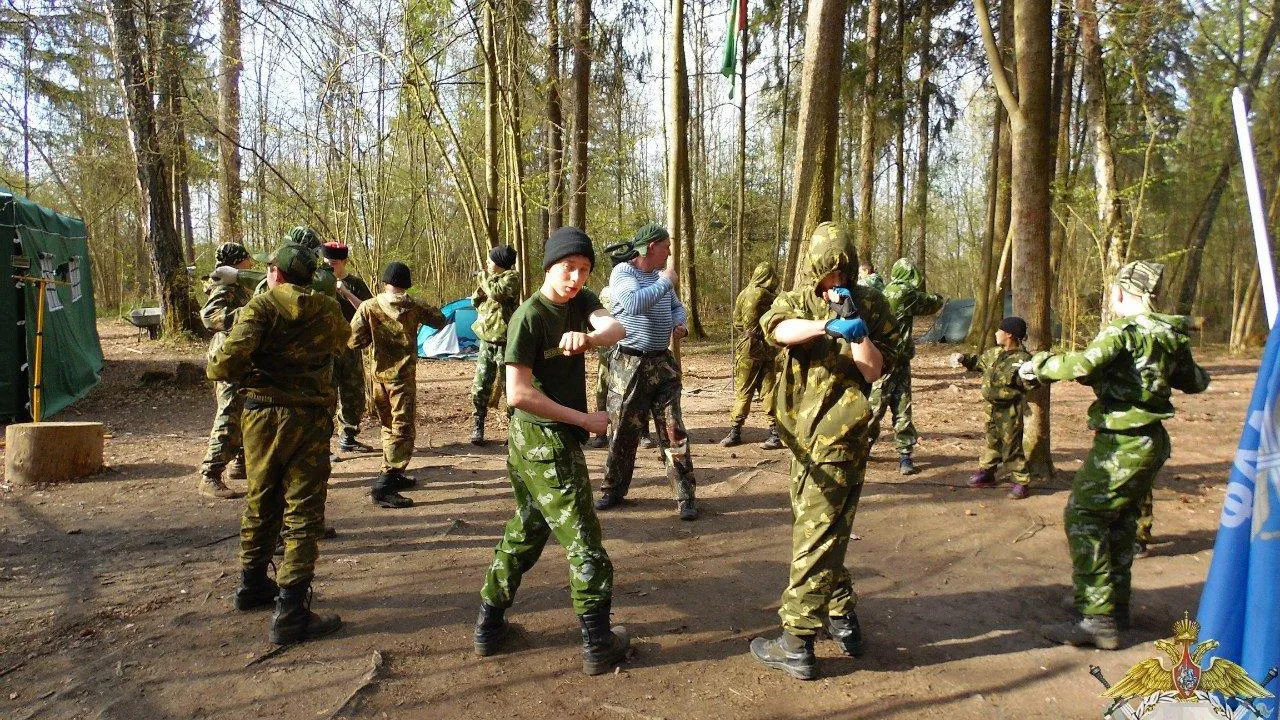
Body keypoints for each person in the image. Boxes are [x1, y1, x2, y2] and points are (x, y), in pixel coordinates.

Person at [1019, 261, 1209, 650]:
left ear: (1122, 293)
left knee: (1085, 516)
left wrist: (1038, 365)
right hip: (1152, 442)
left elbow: (1081, 363)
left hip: (1122, 443)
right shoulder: (1171, 336)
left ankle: (1097, 619)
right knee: (1120, 522)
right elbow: (1195, 381)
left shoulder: (1123, 332)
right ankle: (1113, 607)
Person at [473, 226, 631, 676]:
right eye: (569, 268)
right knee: (585, 542)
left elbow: (615, 326)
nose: (577, 278)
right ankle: (598, 643)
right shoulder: (528, 317)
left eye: (584, 270)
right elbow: (517, 394)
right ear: (549, 267)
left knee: (527, 528)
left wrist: (592, 338)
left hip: (540, 443)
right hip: (543, 441)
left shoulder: (580, 301)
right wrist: (584, 420)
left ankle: (489, 624)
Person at [749, 222, 900, 681]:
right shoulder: (796, 300)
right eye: (827, 272)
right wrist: (826, 323)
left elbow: (874, 371)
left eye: (842, 272)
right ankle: (843, 614)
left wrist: (857, 334)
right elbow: (776, 330)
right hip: (801, 434)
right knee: (821, 524)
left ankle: (796, 641)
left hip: (840, 436)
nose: (835, 281)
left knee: (815, 533)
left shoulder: (872, 305)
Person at [208, 242, 350, 645]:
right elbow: (345, 344)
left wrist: (258, 365)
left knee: (261, 496)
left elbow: (220, 365)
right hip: (308, 417)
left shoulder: (261, 308)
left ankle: (252, 582)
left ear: (276, 274)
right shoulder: (326, 309)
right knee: (303, 509)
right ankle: (290, 608)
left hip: (261, 416)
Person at [595, 223, 698, 521]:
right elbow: (632, 304)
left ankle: (685, 496)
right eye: (666, 247)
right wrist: (666, 282)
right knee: (623, 430)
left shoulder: (657, 277)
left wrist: (680, 324)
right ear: (651, 247)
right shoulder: (624, 274)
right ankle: (613, 490)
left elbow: (677, 308)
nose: (669, 253)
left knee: (673, 429)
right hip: (629, 364)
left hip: (661, 363)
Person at [348, 262, 445, 509]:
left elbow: (354, 340)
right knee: (403, 430)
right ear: (407, 283)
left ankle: (393, 473)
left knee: (388, 426)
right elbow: (440, 320)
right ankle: (385, 484)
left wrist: (374, 334)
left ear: (384, 282)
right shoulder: (413, 306)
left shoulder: (369, 306)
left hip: (378, 379)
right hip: (402, 379)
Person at [868, 257, 944, 475]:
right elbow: (931, 303)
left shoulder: (883, 290)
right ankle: (902, 455)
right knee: (895, 407)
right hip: (890, 361)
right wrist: (939, 298)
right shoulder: (904, 293)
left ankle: (878, 450)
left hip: (887, 360)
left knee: (882, 407)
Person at [196, 242, 255, 500]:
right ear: (237, 262)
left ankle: (239, 464)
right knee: (229, 413)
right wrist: (247, 313)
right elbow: (210, 317)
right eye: (246, 259)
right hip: (229, 358)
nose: (251, 263)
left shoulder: (236, 285)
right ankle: (210, 474)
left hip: (239, 356)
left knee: (244, 410)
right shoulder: (223, 286)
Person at [950, 316, 1032, 499]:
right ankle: (987, 472)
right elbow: (977, 362)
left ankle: (1020, 481)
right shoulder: (994, 353)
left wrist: (1031, 376)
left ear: (1009, 334)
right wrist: (963, 358)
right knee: (992, 440)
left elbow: (1031, 383)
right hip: (991, 408)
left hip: (1010, 410)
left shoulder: (1023, 360)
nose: (996, 333)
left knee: (1011, 444)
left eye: (999, 330)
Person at [721, 261, 783, 450]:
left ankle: (735, 431)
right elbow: (781, 310)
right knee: (768, 391)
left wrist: (749, 331)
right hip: (764, 348)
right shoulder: (765, 294)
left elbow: (736, 321)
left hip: (747, 348)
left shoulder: (742, 293)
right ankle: (774, 433)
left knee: (744, 391)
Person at [321, 242, 375, 454]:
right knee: (326, 396)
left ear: (344, 262)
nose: (330, 267)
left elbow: (369, 310)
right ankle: (323, 445)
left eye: (333, 263)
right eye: (326, 264)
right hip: (326, 347)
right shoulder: (317, 282)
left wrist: (345, 293)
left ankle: (349, 437)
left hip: (351, 346)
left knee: (353, 394)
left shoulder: (355, 283)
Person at [469, 244, 521, 445]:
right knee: (481, 385)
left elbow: (497, 293)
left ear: (500, 263)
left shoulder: (511, 278)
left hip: (506, 343)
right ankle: (478, 424)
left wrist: (483, 278)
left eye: (490, 261)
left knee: (510, 387)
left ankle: (514, 428)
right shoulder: (491, 280)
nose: (486, 264)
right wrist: (482, 286)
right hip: (486, 341)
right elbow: (476, 300)